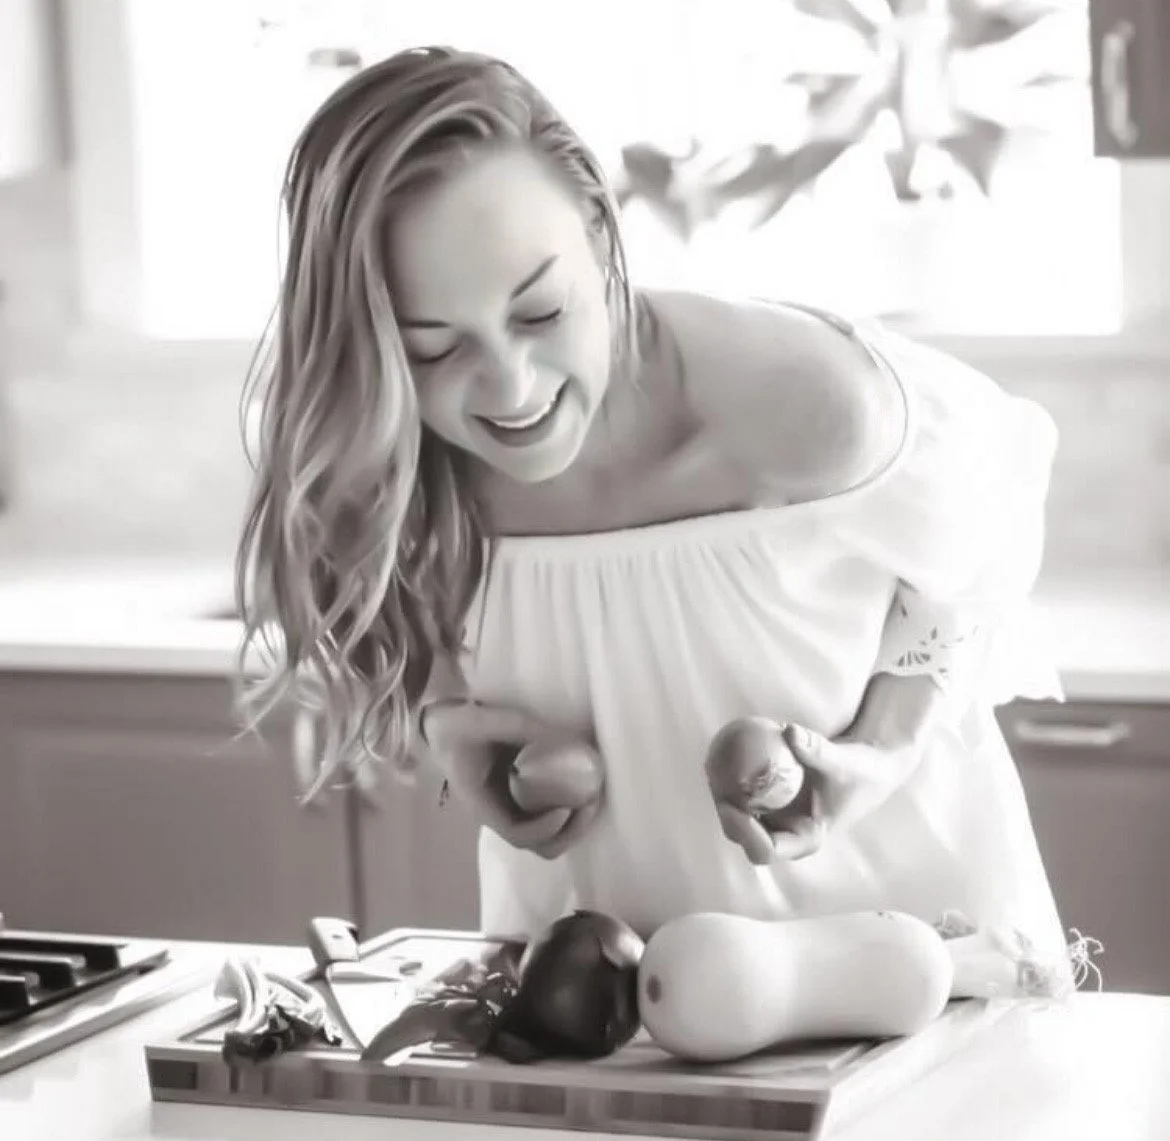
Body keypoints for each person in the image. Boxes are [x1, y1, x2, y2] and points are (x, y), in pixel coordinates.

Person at [234, 45, 1074, 975]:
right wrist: (444, 717)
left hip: (916, 977)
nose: (510, 388)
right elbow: (385, 598)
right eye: (433, 348)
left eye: (540, 312)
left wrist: (875, 755)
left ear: (599, 232)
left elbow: (983, 544)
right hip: (601, 1015)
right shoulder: (398, 450)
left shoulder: (806, 403)